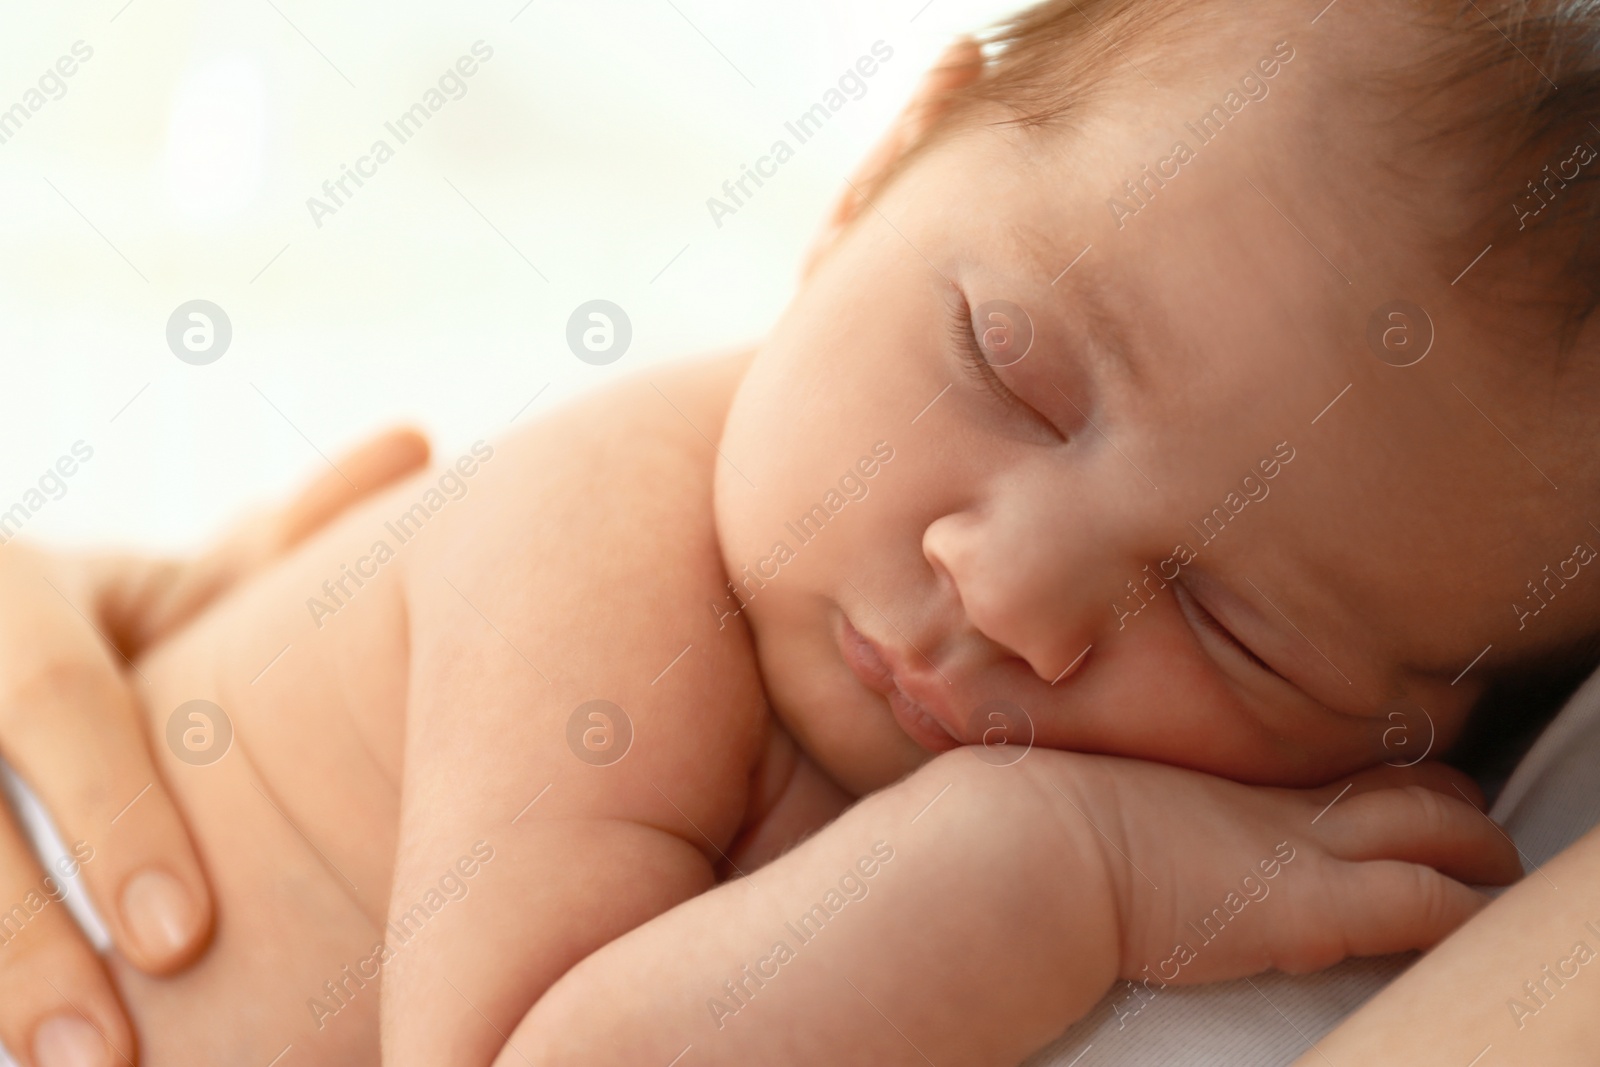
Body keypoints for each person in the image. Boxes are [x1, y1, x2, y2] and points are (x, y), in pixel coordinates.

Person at [8, 0, 1600, 1063]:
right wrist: (1062, 865)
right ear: (880, 171)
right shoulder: (609, 524)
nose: (1008, 588)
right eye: (1007, 370)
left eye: (1243, 629)